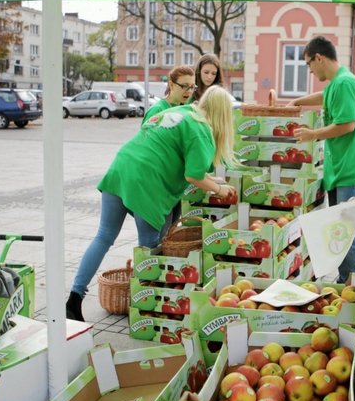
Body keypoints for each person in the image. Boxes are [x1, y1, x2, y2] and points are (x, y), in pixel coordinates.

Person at [66, 86, 237, 321]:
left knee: (103, 237)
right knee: (150, 249)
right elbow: (193, 176)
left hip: (121, 168)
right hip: (147, 183)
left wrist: (210, 180)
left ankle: (74, 299)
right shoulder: (202, 130)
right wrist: (219, 188)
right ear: (223, 115)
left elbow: (179, 158)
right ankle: (147, 311)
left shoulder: (182, 112)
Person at [288, 35, 355, 282]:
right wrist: (296, 102)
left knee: (348, 228)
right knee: (340, 228)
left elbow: (347, 125)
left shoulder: (345, 83)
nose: (310, 70)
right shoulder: (338, 82)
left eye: (309, 64)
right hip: (340, 168)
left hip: (351, 168)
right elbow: (324, 96)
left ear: (319, 57)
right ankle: (346, 278)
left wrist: (313, 134)